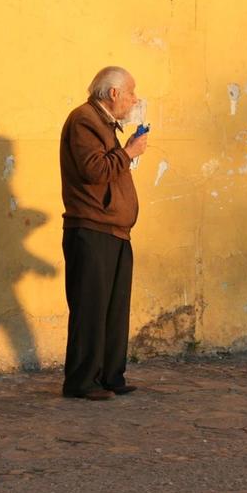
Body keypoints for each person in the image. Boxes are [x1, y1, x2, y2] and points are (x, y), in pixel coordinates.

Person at [59, 66, 148, 400]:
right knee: (91, 309)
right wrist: (129, 152)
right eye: (131, 92)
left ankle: (111, 375)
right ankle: (82, 382)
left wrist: (125, 149)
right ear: (113, 94)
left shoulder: (105, 125)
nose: (134, 99)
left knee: (114, 308)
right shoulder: (84, 120)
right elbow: (94, 170)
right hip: (92, 227)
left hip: (115, 230)